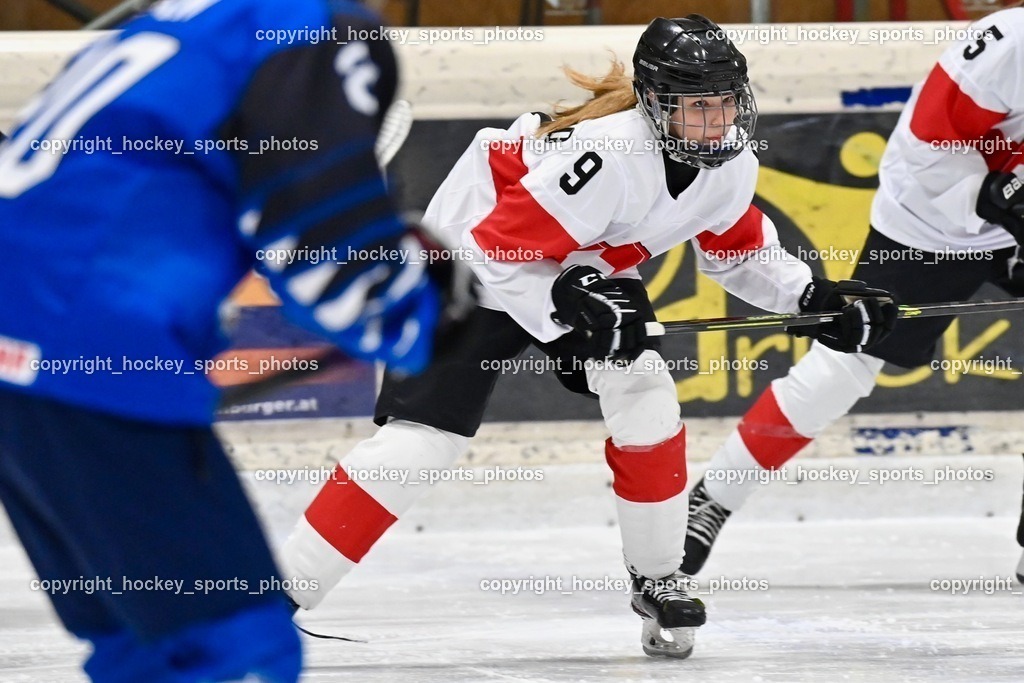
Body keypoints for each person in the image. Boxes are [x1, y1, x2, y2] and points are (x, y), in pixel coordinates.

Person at [278, 15, 898, 659]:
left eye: (724, 104)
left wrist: (812, 297)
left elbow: (738, 252)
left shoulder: (729, 163)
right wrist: (565, 298)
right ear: (656, 104)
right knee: (419, 444)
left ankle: (659, 577)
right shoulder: (607, 157)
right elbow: (496, 248)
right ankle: (280, 594)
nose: (716, 123)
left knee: (644, 388)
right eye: (698, 107)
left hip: (576, 263)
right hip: (470, 256)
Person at [0, 0, 458, 680]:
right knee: (235, 651)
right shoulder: (306, 29)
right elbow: (329, 257)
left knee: (145, 645)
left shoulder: (173, 20)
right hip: (90, 350)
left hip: (22, 358)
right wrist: (426, 312)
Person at [681, 6, 1024, 580]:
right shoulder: (1008, 47)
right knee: (848, 361)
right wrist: (998, 197)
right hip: (936, 215)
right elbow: (931, 144)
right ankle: (715, 496)